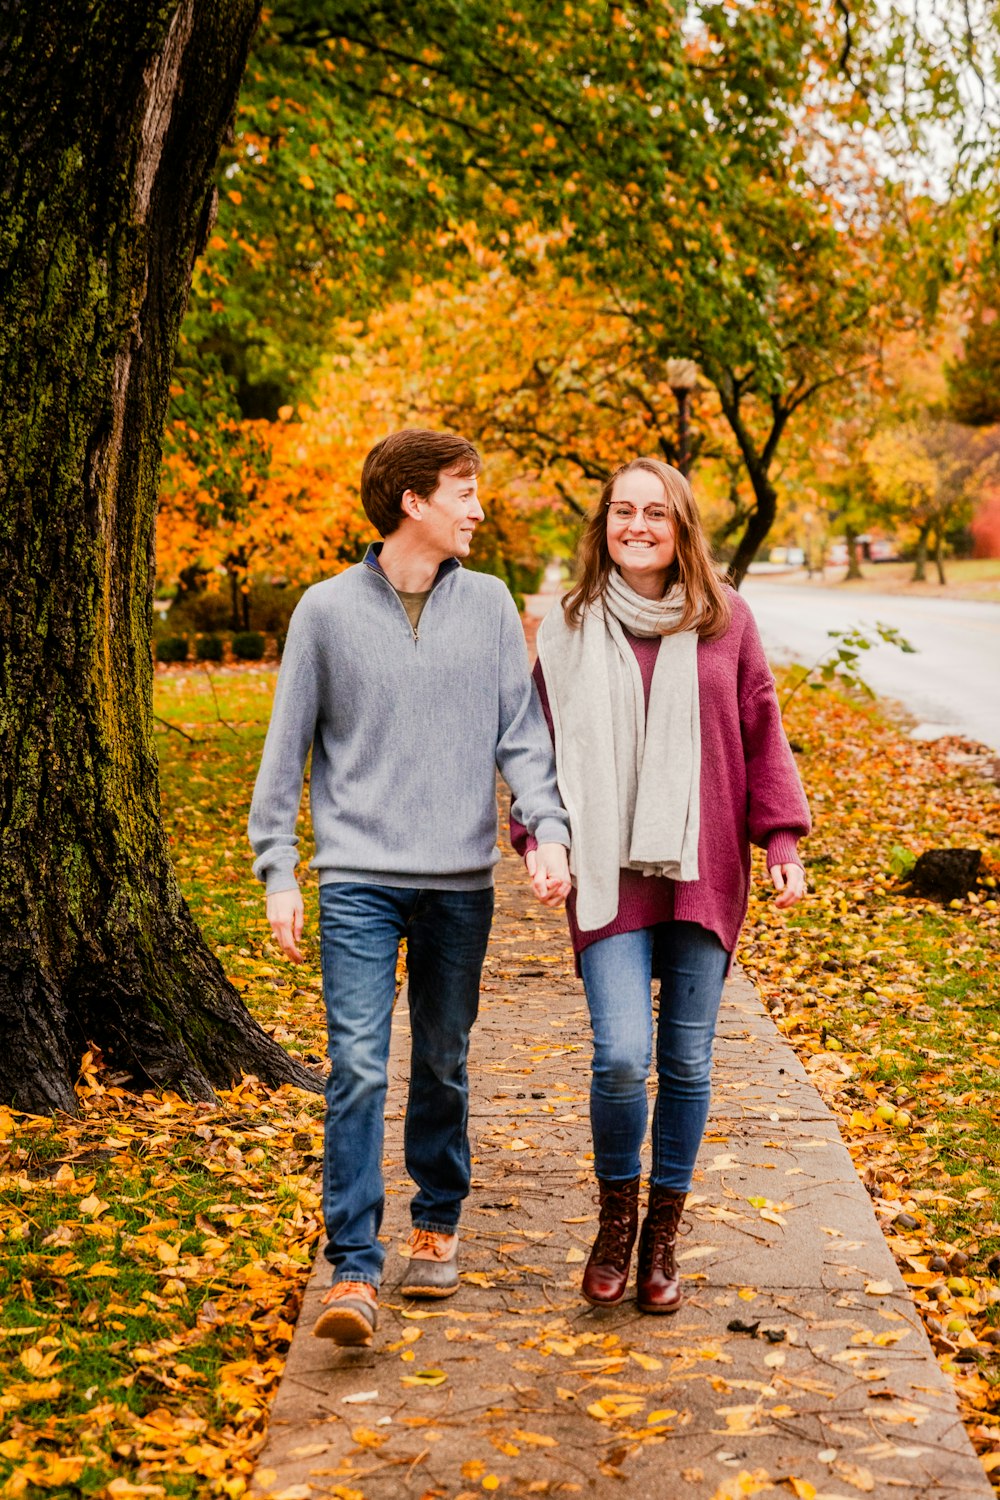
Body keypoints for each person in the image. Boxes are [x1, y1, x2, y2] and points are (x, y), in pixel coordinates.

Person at [249, 429, 571, 1347]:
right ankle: (353, 1266)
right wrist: (281, 872)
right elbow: (285, 756)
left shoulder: (494, 606)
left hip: (459, 884)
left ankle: (438, 1214)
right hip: (356, 877)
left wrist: (547, 829)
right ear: (411, 504)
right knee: (355, 1065)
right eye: (464, 492)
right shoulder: (323, 612)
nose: (479, 509)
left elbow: (522, 739)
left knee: (442, 1059)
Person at [512, 457, 809, 1314]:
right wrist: (538, 836)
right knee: (620, 1056)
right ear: (602, 524)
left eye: (655, 514)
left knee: (684, 1060)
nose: (636, 526)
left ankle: (663, 1238)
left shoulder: (728, 621)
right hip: (607, 871)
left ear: (682, 528)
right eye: (621, 512)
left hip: (703, 865)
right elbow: (536, 749)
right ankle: (616, 1218)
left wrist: (781, 835)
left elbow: (760, 725)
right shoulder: (565, 628)